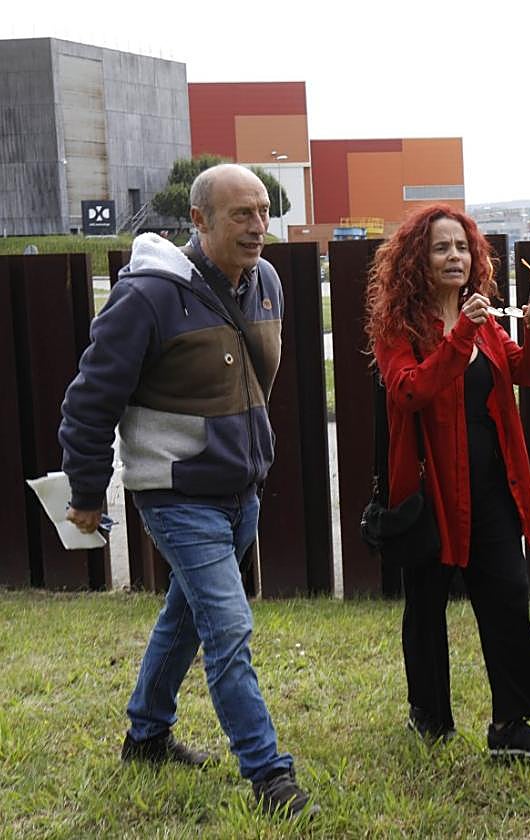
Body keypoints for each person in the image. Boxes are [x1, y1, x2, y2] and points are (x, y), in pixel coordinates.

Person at [59, 164, 316, 818]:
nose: (259, 227)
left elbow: (252, 386)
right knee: (228, 628)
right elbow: (90, 403)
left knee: (185, 619)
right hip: (175, 494)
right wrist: (88, 493)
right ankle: (270, 776)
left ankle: (146, 736)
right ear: (198, 222)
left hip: (242, 491)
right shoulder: (147, 295)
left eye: (264, 211)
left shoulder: (267, 283)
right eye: (241, 215)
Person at [365, 204, 530, 758]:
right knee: (426, 604)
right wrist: (460, 337)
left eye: (461, 248)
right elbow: (408, 390)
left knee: (508, 592)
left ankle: (510, 725)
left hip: (491, 486)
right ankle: (429, 715)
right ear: (416, 262)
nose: (455, 257)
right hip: (430, 491)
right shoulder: (399, 327)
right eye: (440, 248)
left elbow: (528, 371)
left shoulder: (487, 321)